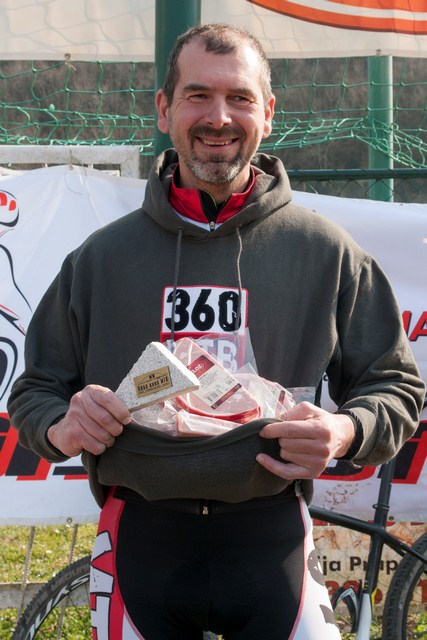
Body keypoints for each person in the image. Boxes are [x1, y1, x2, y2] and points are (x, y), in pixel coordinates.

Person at [7, 23, 425, 640]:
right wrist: (60, 425)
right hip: (140, 537)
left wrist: (345, 430)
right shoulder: (100, 258)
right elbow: (34, 391)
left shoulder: (326, 252)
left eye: (240, 98)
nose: (219, 117)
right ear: (164, 109)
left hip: (272, 537)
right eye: (198, 95)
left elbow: (395, 387)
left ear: (268, 113)